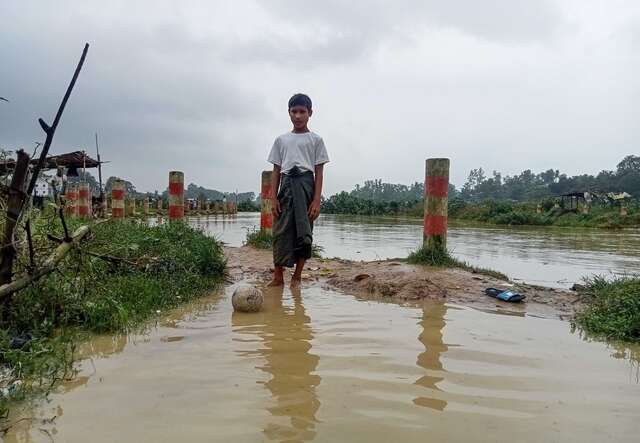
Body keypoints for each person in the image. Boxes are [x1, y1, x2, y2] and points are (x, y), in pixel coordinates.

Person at [267, 93, 329, 288]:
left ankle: (297, 277)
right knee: (280, 231)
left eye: (302, 111)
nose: (298, 116)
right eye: (294, 111)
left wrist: (316, 200)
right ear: (289, 113)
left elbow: (319, 172)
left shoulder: (316, 140)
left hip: (306, 186)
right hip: (285, 186)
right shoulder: (281, 140)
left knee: (304, 232)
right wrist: (273, 198)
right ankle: (278, 277)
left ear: (310, 113)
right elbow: (276, 170)